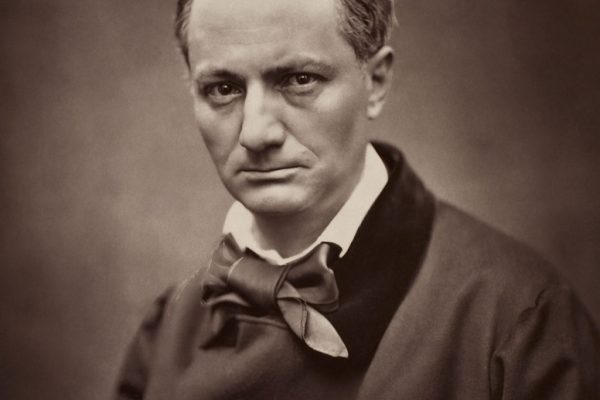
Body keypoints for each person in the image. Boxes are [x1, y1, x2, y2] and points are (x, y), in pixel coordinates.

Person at [114, 0, 599, 398]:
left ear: (376, 82)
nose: (256, 133)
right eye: (223, 88)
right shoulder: (169, 328)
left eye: (299, 79)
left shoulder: (517, 318)